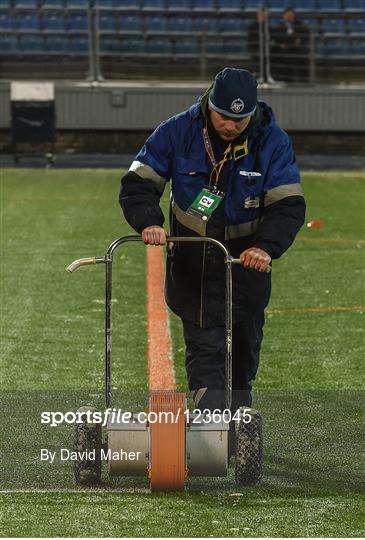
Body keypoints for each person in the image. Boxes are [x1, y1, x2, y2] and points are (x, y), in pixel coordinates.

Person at [119, 67, 305, 422]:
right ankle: (210, 425)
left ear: (252, 112)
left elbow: (288, 204)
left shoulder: (272, 142)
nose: (230, 126)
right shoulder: (177, 132)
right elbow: (138, 183)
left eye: (240, 119)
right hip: (195, 266)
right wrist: (149, 221)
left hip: (246, 266)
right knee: (206, 349)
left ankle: (238, 420)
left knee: (243, 352)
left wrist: (266, 247)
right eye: (223, 117)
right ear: (209, 104)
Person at [271, 7, 310, 82]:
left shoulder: (300, 25)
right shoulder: (279, 27)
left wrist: (299, 40)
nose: (289, 17)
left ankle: (304, 81)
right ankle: (281, 79)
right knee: (278, 55)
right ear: (283, 16)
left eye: (291, 15)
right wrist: (281, 44)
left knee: (302, 56)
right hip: (283, 50)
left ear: (294, 16)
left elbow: (305, 35)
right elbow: (276, 38)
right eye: (287, 15)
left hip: (296, 49)